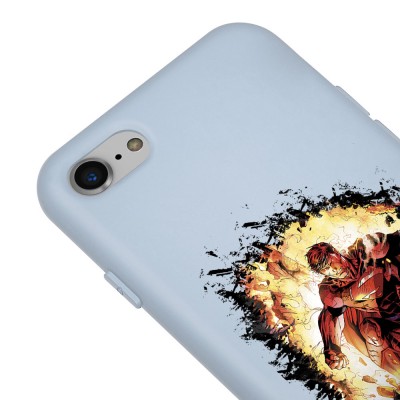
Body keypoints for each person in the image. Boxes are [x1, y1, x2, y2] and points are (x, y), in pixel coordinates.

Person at [306, 231, 400, 377]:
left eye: (331, 262)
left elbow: (377, 274)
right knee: (371, 332)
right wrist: (332, 348)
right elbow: (330, 315)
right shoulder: (330, 289)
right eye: (326, 269)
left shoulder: (363, 249)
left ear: (335, 251)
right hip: (387, 323)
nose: (334, 270)